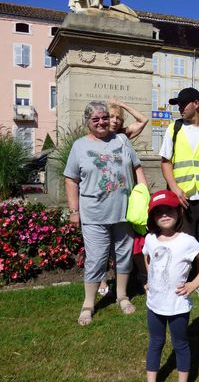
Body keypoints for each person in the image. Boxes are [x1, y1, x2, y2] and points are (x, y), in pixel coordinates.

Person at [64, 101, 147, 326]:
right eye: (95, 119)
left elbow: (136, 166)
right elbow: (71, 179)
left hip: (123, 212)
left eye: (104, 118)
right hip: (94, 215)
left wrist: (143, 193)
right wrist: (73, 211)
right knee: (96, 259)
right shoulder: (79, 146)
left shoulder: (121, 140)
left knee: (123, 256)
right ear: (87, 122)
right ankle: (88, 304)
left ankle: (121, 296)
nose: (101, 122)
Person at [159, 88, 199, 301]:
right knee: (182, 242)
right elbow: (166, 162)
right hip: (182, 197)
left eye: (182, 104)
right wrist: (174, 188)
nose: (179, 107)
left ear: (196, 104)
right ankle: (179, 281)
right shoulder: (174, 129)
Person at [143, 190, 199, 382]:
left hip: (177, 306)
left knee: (180, 343)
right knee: (156, 342)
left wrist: (193, 284)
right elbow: (147, 256)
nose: (164, 215)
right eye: (159, 212)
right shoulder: (150, 238)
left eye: (169, 210)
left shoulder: (187, 242)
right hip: (154, 305)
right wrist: (150, 279)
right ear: (152, 217)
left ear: (178, 212)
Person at [97, 98, 149, 296]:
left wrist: (123, 105)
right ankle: (102, 278)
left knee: (124, 241)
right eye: (112, 116)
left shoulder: (123, 136)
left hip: (123, 196)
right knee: (103, 243)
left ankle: (127, 281)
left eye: (119, 118)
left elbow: (143, 120)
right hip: (103, 197)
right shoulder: (95, 138)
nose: (116, 120)